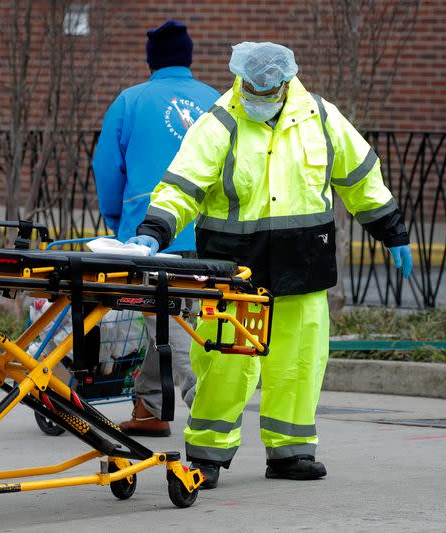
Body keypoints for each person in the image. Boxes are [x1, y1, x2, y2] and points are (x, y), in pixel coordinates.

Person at [128, 42, 413, 487]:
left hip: (303, 264)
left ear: (285, 82)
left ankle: (291, 452)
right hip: (235, 270)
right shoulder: (220, 122)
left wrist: (391, 228)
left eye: (268, 89)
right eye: (251, 88)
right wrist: (155, 229)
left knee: (298, 362)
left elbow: (359, 176)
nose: (258, 96)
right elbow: (183, 186)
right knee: (225, 361)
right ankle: (206, 454)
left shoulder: (319, 117)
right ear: (240, 79)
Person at [92, 20, 220, 436]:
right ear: (188, 56)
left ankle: (206, 406)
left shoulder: (131, 102)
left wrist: (117, 221)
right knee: (168, 318)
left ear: (152, 60)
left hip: (147, 234)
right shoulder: (217, 103)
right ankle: (148, 407)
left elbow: (107, 169)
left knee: (168, 321)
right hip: (205, 233)